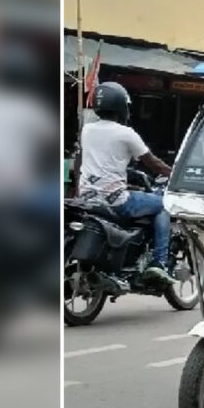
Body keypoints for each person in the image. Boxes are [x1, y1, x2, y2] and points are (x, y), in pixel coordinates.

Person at [75, 81, 175, 285]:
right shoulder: (126, 133)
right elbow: (152, 163)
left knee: (140, 196)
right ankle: (159, 263)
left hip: (88, 197)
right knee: (164, 204)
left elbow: (90, 161)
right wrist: (175, 174)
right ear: (121, 106)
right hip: (117, 201)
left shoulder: (87, 129)